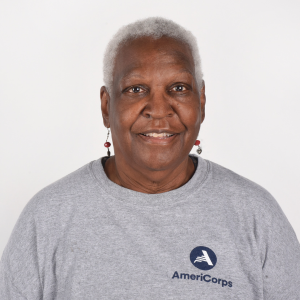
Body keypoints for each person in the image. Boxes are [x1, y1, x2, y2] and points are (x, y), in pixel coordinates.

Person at [0, 17, 299, 300]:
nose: (158, 109)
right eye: (135, 89)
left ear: (201, 102)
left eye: (179, 88)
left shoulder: (256, 216)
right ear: (107, 106)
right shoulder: (48, 217)